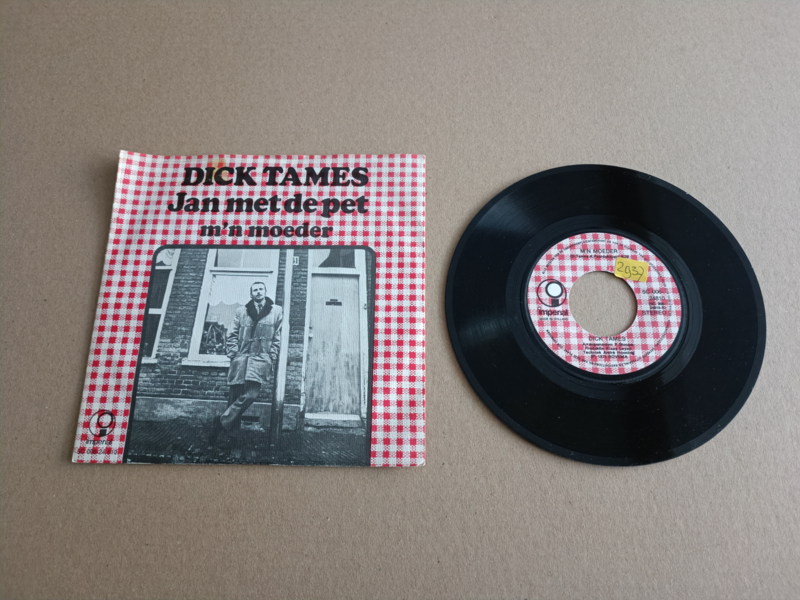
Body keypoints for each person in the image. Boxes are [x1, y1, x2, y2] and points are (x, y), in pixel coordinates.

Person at [209, 281, 282, 444]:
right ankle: (231, 435)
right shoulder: (241, 311)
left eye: (261, 289)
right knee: (234, 396)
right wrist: (234, 353)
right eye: (255, 290)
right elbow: (232, 334)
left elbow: (277, 337)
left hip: (260, 358)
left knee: (252, 394)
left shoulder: (276, 311)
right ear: (251, 294)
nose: (258, 292)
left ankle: (220, 422)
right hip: (241, 358)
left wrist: (271, 356)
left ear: (265, 291)